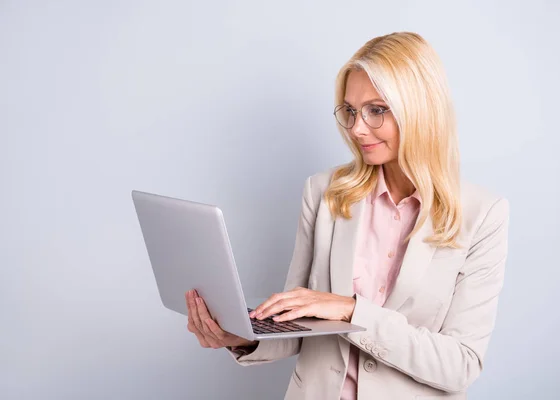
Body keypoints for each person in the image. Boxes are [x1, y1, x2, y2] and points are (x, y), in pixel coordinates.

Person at [184, 31, 510, 400]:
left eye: (376, 110)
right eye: (351, 111)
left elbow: (459, 366)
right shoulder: (324, 192)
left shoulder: (482, 215)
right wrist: (242, 336)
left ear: (419, 108)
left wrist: (351, 310)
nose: (356, 128)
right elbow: (299, 325)